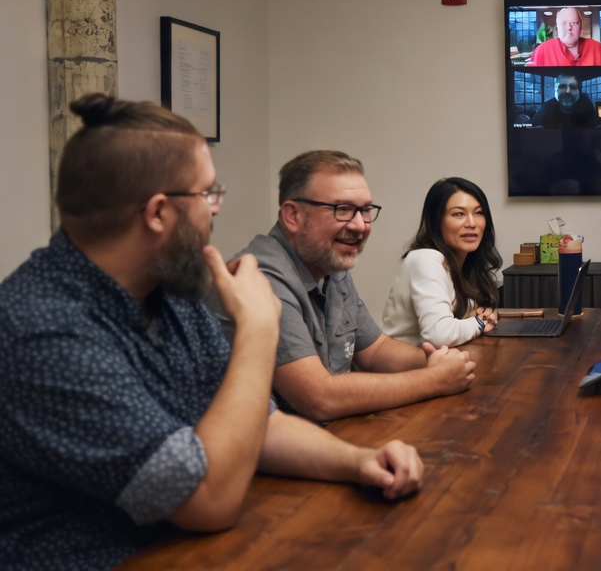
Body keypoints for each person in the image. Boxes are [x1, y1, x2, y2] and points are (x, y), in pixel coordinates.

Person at [0, 96, 423, 571]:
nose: (215, 211)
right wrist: (259, 331)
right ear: (159, 212)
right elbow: (207, 501)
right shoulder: (44, 332)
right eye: (207, 195)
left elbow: (259, 424)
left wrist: (356, 462)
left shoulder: (170, 291)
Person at [236, 150, 476, 422]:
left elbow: (375, 351)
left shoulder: (330, 262)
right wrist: (433, 379)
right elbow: (319, 398)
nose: (360, 225)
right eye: (343, 209)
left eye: (365, 210)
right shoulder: (262, 277)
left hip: (337, 432)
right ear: (293, 215)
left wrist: (436, 361)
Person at [383, 177, 503, 348]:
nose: (472, 223)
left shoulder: (463, 263)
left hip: (438, 366)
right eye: (459, 214)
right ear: (436, 220)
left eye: (478, 213)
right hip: (402, 370)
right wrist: (479, 323)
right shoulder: (425, 258)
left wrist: (483, 315)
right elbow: (439, 335)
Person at [526, 6, 601, 67]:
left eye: (574, 23)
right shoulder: (541, 51)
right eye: (563, 23)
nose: (569, 27)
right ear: (557, 27)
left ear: (580, 26)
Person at [532, 73, 598, 128]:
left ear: (579, 92)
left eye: (573, 87)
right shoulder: (547, 107)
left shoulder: (587, 107)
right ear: (557, 90)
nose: (567, 91)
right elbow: (533, 126)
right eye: (562, 86)